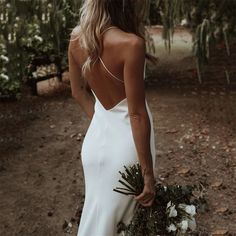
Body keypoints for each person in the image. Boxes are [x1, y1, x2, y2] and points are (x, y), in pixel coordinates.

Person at [68, 0, 157, 235]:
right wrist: (148, 175)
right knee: (124, 226)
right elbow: (136, 115)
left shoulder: (77, 38)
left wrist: (102, 121)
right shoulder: (131, 44)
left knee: (98, 220)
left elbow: (77, 92)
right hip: (127, 150)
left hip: (94, 146)